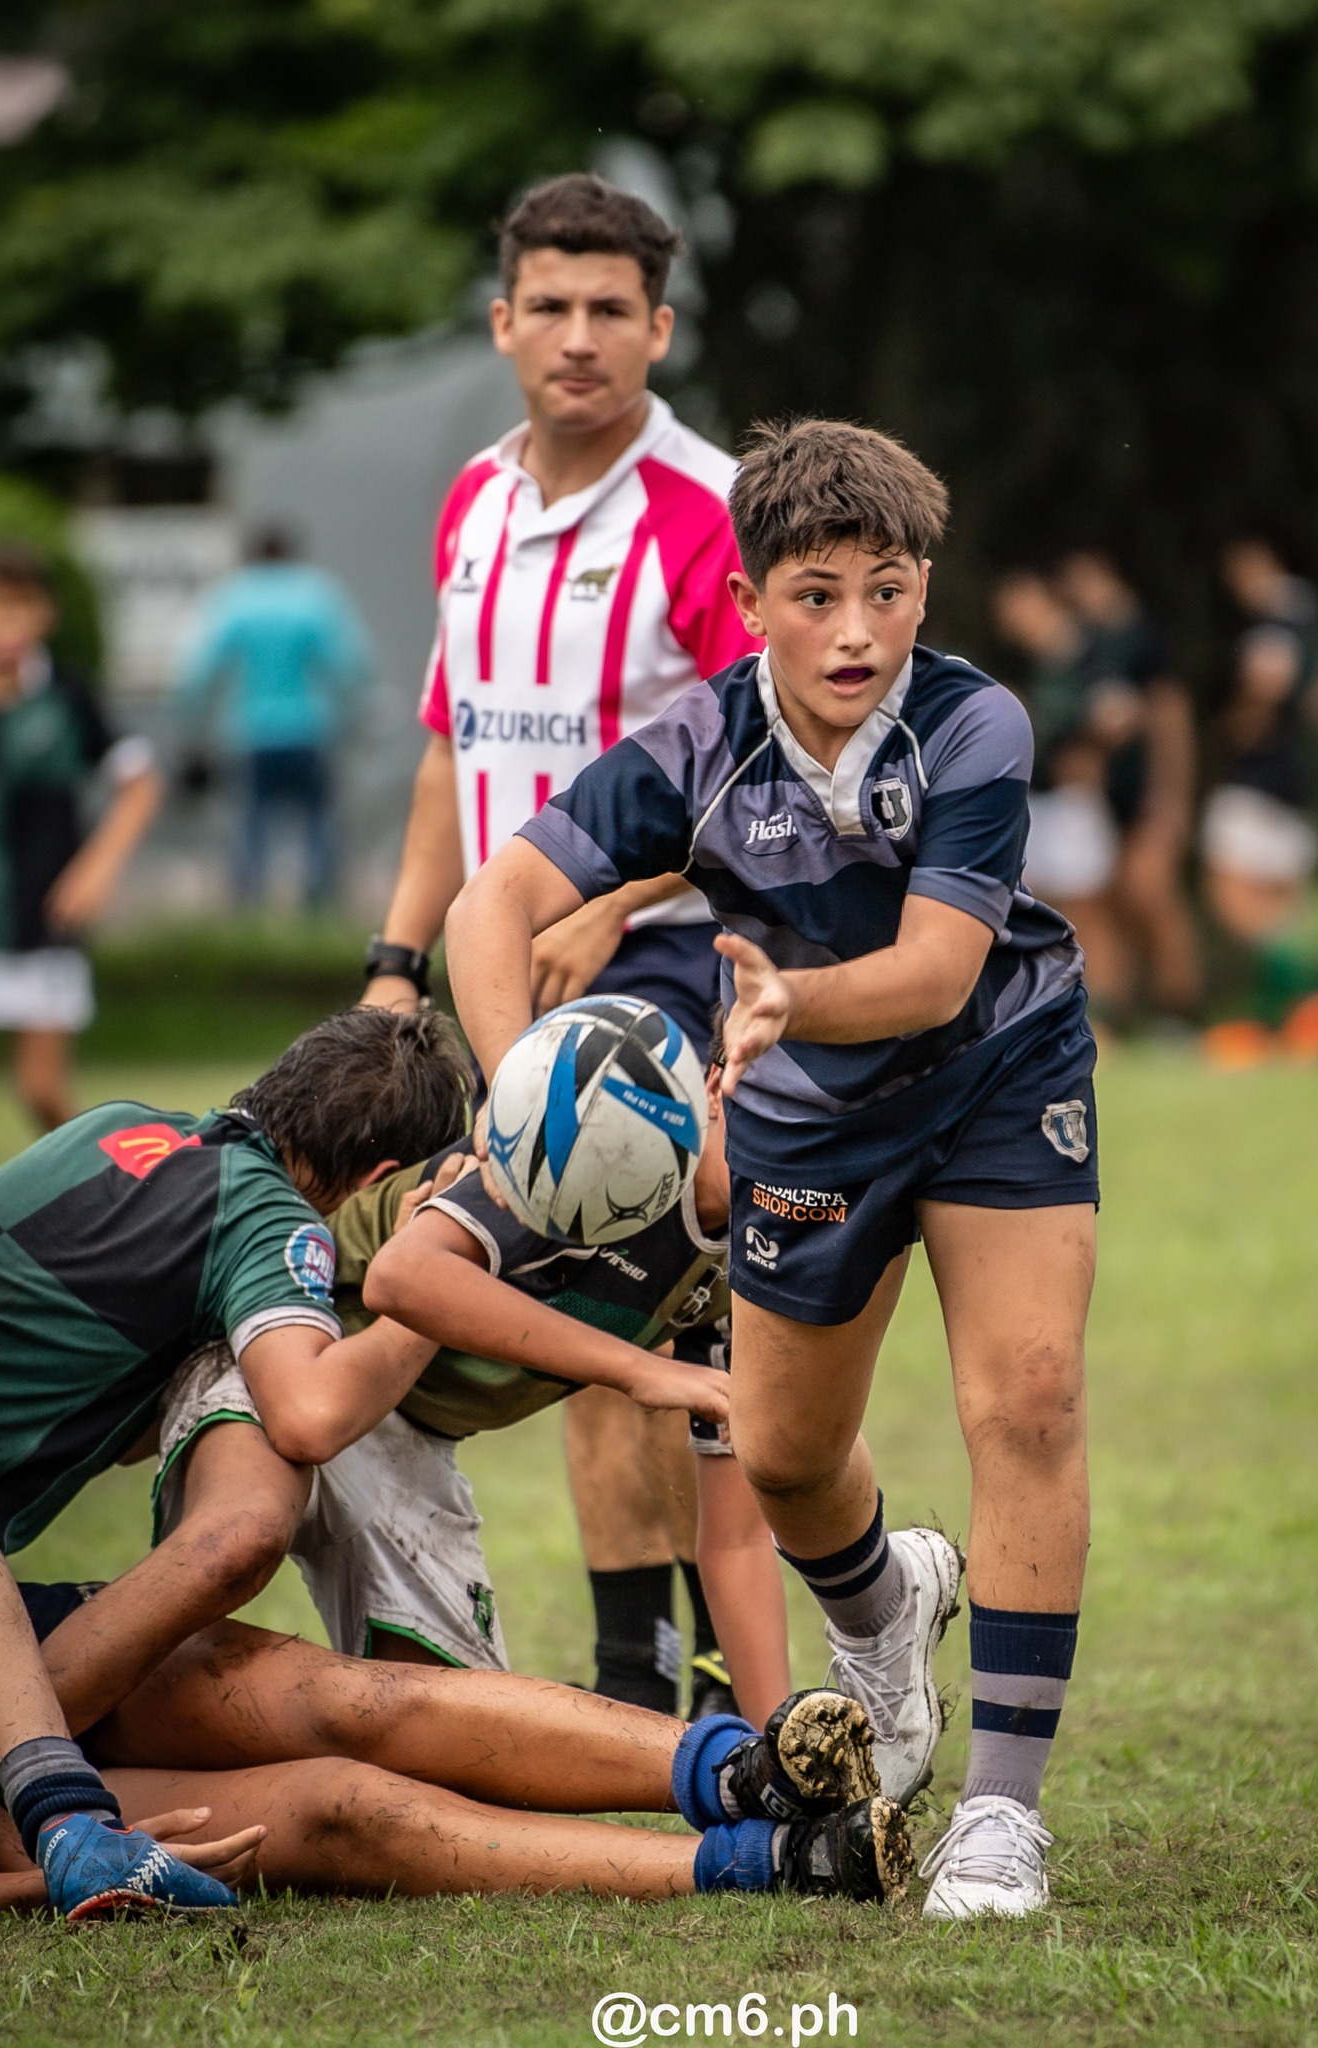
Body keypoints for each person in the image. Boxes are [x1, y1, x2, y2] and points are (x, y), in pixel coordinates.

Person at [446, 420, 1097, 1921]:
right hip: (806, 1116)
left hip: (997, 1071)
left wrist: (787, 998)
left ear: (925, 589)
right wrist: (513, 1092)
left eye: (887, 590)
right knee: (788, 1454)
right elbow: (497, 902)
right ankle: (884, 1613)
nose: (856, 630)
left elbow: (936, 972)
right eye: (816, 595)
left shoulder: (974, 723)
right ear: (749, 605)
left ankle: (1000, 1812)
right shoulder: (697, 744)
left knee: (1030, 1395)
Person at [360, 172, 762, 1718]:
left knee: (612, 1303)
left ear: (659, 328)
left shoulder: (708, 509)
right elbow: (448, 748)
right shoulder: (473, 499)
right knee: (540, 1306)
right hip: (491, 974)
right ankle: (654, 1688)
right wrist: (397, 959)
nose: (578, 336)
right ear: (501, 322)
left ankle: (662, 1688)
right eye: (551, 306)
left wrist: (608, 906)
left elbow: (761, 773)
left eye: (611, 309)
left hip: (663, 969)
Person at [150, 1044, 792, 1727]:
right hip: (289, 1355)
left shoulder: (758, 1260)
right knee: (234, 1548)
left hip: (415, 1440)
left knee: (457, 1740)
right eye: (782, 1113)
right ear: (717, 1085)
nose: (803, 1150)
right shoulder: (604, 1135)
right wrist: (641, 1370)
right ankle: (78, 1726)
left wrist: (779, 1741)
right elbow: (403, 1278)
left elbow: (738, 1541)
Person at [0, 1006, 472, 1740]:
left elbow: (113, 1419)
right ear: (379, 1179)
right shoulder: (270, 1218)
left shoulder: (117, 1125)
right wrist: (432, 1280)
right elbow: (308, 1417)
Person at [2, 1580, 906, 1907]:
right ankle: (778, 1863)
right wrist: (48, 1877)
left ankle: (742, 1774)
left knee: (353, 1701)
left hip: (25, 1646)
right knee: (346, 1809)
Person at [0, 541, 162, 1130]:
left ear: (47, 613)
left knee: (41, 1090)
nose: (7, 622)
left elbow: (141, 782)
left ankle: (107, 1178)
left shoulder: (67, 696)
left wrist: (98, 867)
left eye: (20, 605)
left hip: (44, 913)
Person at [0, 1557, 256, 1920]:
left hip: (22, 1631)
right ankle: (72, 1823)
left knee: (335, 1711)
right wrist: (64, 1870)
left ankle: (70, 1819)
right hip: (40, 1808)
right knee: (331, 1806)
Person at [1204, 540, 1318, 1067]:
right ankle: (1287, 1025)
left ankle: (1317, 996)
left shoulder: (1274, 622)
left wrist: (1243, 723)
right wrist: (1304, 726)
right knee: (1281, 905)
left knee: (1229, 896)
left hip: (1258, 777)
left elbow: (1266, 679)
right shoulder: (1312, 620)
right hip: (1299, 776)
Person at [174, 523, 371, 911]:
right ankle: (319, 909)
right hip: (311, 730)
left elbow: (197, 671)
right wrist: (355, 714)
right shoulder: (316, 595)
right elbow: (351, 665)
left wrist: (190, 725)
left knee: (251, 825)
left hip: (251, 732)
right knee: (318, 822)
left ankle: (250, 913)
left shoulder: (235, 597)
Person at [1056, 549, 1202, 1027]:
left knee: (1151, 894)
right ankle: (1126, 1014)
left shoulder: (1142, 638)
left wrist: (1172, 796)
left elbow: (1171, 717)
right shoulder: (1087, 644)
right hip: (1105, 802)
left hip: (1148, 796)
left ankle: (1182, 1009)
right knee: (1113, 903)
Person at [992, 568, 1132, 1021]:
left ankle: (1107, 1014)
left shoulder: (1089, 651)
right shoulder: (1037, 662)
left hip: (1072, 800)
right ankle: (1064, 1007)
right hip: (1037, 797)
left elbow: (1121, 714)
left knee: (1088, 906)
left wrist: (1093, 751)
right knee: (1045, 905)